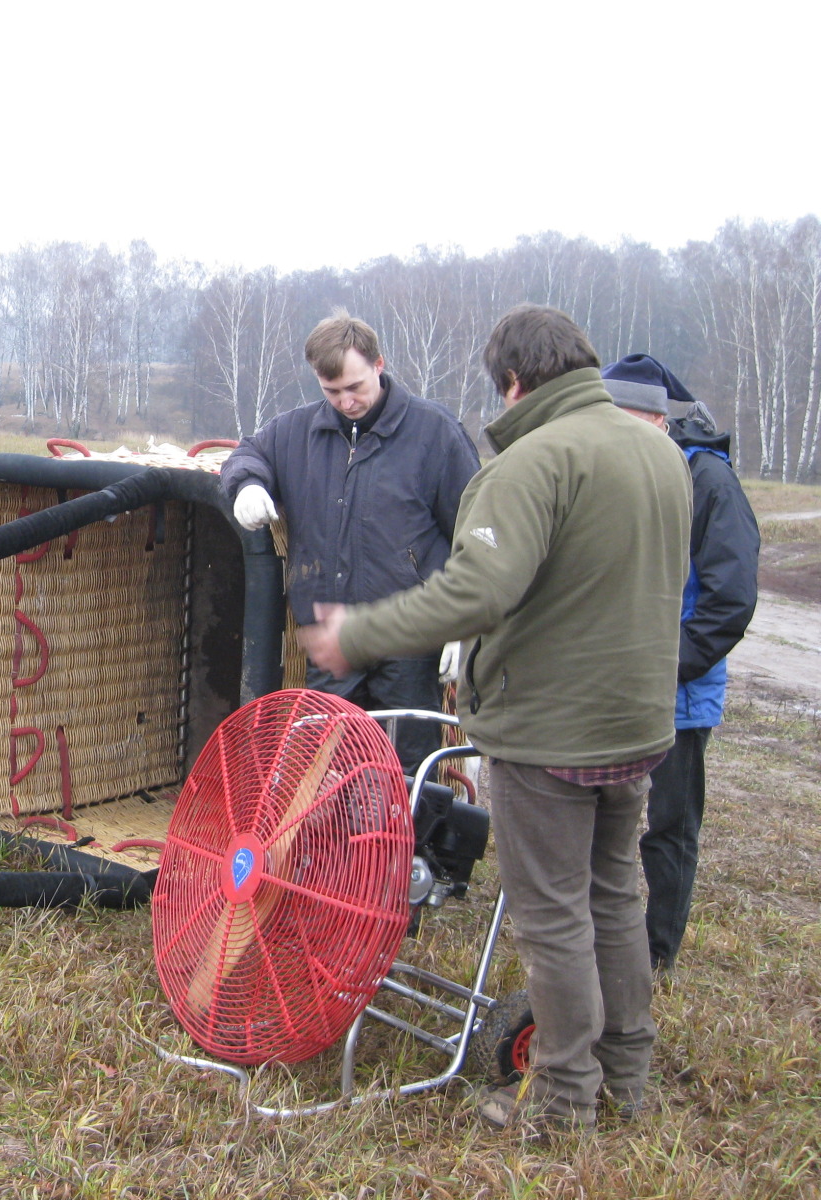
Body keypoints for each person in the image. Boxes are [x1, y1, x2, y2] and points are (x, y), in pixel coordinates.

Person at [299, 305, 691, 1132]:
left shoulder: (534, 462)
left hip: (553, 733)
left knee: (552, 916)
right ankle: (627, 1076)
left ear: (513, 381)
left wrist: (357, 633)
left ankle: (563, 1100)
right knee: (614, 897)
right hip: (636, 727)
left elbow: (475, 591)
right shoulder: (658, 451)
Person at [220, 311, 480, 775]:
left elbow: (474, 529)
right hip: (332, 637)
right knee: (327, 770)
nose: (346, 401)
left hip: (409, 636)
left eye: (355, 387)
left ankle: (409, 826)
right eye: (332, 391)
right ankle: (335, 826)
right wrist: (247, 485)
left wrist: (467, 624)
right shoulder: (295, 432)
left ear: (379, 364)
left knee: (404, 771)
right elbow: (247, 454)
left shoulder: (435, 434)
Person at [602, 354, 760, 974]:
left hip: (677, 692)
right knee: (600, 818)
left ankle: (656, 951)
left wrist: (670, 665)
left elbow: (730, 597)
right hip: (608, 684)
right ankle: (600, 935)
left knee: (668, 825)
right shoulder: (610, 470)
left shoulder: (710, 482)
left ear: (658, 417)